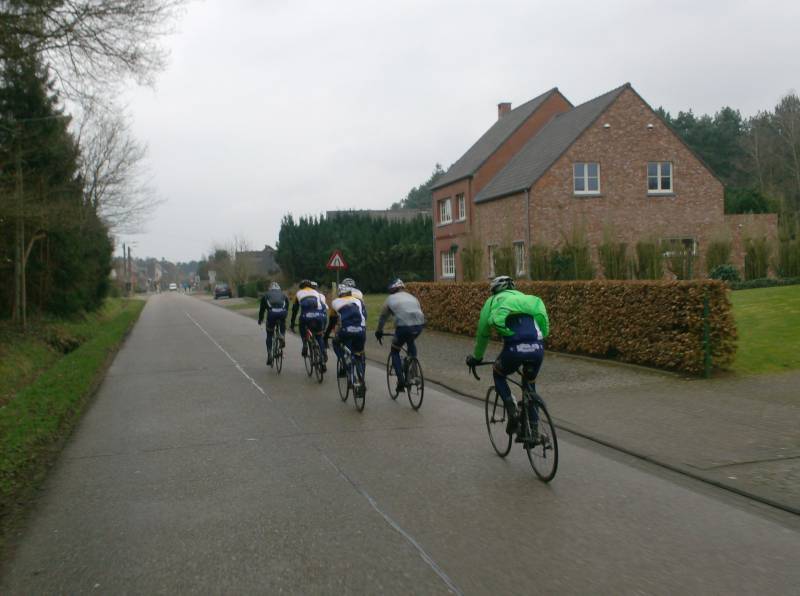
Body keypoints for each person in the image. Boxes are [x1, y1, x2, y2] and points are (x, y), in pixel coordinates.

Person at [465, 276, 549, 438]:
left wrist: (476, 358)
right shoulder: (524, 299)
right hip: (538, 348)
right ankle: (533, 432)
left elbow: (483, 334)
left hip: (514, 349)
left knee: (498, 372)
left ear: (494, 290)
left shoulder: (492, 301)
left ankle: (512, 412)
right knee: (530, 385)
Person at [375, 278, 425, 394]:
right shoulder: (412, 297)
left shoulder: (390, 299)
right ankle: (413, 373)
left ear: (392, 290)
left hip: (403, 328)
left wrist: (379, 331)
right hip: (419, 326)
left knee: (395, 350)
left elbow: (383, 317)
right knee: (411, 342)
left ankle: (401, 381)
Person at [325, 284, 367, 379]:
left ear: (340, 294)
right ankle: (361, 378)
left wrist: (328, 333)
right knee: (359, 353)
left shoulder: (335, 302)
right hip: (361, 330)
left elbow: (333, 319)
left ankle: (345, 365)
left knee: (336, 343)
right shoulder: (358, 301)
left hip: (346, 331)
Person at [290, 279, 328, 370]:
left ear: (301, 287)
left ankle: (305, 345)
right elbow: (322, 306)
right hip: (319, 316)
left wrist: (292, 323)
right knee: (319, 335)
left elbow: (294, 310)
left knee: (302, 327)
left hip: (306, 317)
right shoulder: (316, 293)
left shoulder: (299, 293)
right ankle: (323, 353)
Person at [257, 281, 289, 365]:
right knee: (282, 323)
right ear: (279, 288)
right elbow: (287, 306)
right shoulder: (283, 294)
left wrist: (260, 319)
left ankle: (269, 353)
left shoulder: (266, 295)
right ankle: (282, 335)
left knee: (269, 334)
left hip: (272, 314)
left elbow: (262, 310)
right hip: (282, 313)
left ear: (270, 288)